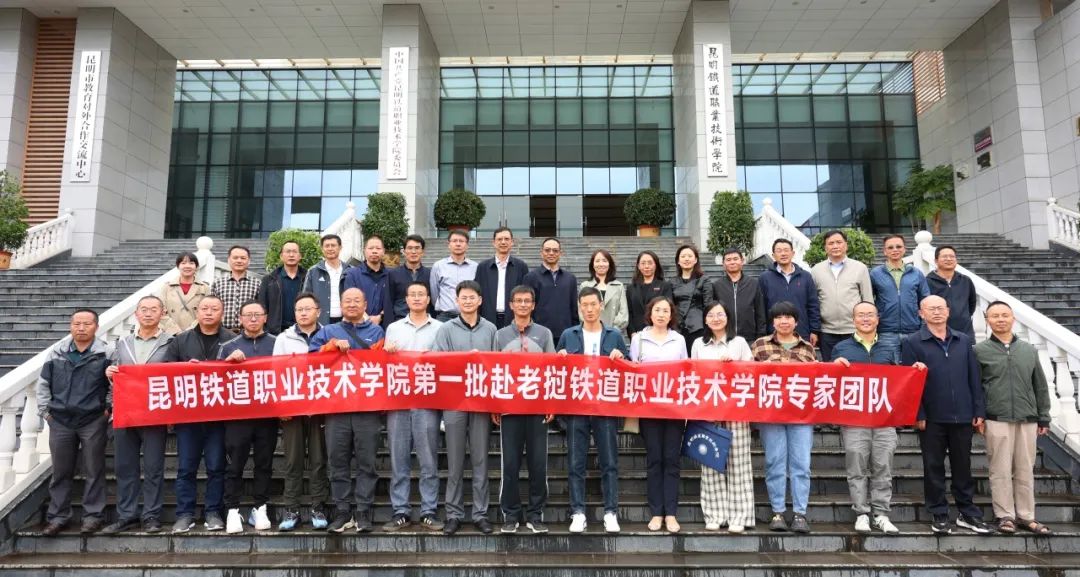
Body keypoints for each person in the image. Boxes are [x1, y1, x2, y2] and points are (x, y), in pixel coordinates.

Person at [902, 295, 993, 535]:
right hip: (932, 417)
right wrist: (918, 413)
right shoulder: (912, 342)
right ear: (921, 314)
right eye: (931, 309)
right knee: (933, 467)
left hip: (963, 415)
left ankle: (967, 512)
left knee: (963, 466)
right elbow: (909, 383)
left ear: (948, 311)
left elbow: (974, 377)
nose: (937, 312)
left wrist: (978, 410)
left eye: (941, 308)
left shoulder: (963, 340)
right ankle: (939, 513)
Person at [309, 287, 386, 533]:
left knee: (367, 461)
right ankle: (342, 510)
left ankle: (363, 510)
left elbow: (384, 366)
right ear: (340, 305)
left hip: (367, 409)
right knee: (337, 460)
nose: (352, 304)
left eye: (356, 300)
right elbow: (310, 361)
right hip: (337, 409)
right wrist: (329, 347)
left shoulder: (377, 332)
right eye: (347, 301)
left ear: (365, 305)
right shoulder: (328, 332)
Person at [974, 301, 1052, 535]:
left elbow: (1040, 385)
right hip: (996, 417)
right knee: (999, 469)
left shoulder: (1029, 350)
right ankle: (1005, 515)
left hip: (1027, 418)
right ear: (987, 320)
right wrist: (979, 415)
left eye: (1005, 315)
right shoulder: (979, 351)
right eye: (995, 316)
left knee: (1025, 468)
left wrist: (1044, 416)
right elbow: (976, 387)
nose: (1000, 319)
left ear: (1013, 318)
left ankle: (1026, 516)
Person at [557, 287, 628, 534]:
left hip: (605, 407)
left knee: (609, 461)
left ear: (601, 306)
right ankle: (578, 512)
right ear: (579, 308)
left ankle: (611, 512)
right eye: (584, 305)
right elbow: (558, 370)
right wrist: (560, 356)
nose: (589, 309)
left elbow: (629, 370)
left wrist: (621, 356)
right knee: (576, 462)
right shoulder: (569, 335)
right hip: (577, 406)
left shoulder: (614, 335)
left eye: (593, 304)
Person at [36, 309, 112, 536]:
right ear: (70, 326)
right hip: (60, 420)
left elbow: (115, 383)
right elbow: (43, 384)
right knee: (61, 471)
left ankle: (93, 516)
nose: (81, 328)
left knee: (94, 470)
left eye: (86, 324)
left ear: (96, 326)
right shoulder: (56, 352)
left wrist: (107, 410)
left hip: (93, 419)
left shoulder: (106, 352)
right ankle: (58, 517)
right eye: (77, 323)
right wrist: (46, 413)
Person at [431, 280, 498, 535]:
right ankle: (454, 514)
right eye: (463, 298)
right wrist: (464, 359)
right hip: (454, 401)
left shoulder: (491, 329)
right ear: (457, 301)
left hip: (481, 400)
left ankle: (480, 514)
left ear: (480, 300)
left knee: (480, 460)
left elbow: (496, 364)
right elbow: (438, 361)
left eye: (472, 297)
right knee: (455, 461)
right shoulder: (446, 329)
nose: (468, 301)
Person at [102, 296, 173, 534]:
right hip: (125, 412)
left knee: (153, 468)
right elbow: (113, 378)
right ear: (136, 314)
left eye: (154, 309)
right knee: (125, 467)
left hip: (155, 414)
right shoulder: (121, 343)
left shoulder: (170, 343)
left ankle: (151, 515)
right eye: (144, 309)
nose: (148, 313)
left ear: (162, 313)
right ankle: (127, 515)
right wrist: (110, 374)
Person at [163, 295, 234, 533]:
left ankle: (213, 512)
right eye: (204, 308)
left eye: (214, 309)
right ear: (197, 311)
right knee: (186, 468)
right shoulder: (181, 340)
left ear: (222, 313)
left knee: (216, 467)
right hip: (189, 416)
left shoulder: (232, 340)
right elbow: (166, 372)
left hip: (219, 416)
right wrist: (184, 368)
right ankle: (185, 514)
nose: (209, 312)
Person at [831, 301, 900, 534]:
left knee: (883, 466)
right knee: (857, 467)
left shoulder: (889, 348)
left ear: (878, 319)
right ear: (853, 320)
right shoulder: (841, 348)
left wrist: (916, 371)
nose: (866, 319)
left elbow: (899, 381)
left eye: (870, 314)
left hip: (884, 419)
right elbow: (832, 383)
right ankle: (861, 513)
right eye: (860, 315)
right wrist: (834, 367)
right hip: (854, 419)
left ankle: (881, 514)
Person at [382, 281, 445, 532]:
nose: (417, 298)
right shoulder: (394, 328)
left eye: (421, 294)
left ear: (428, 299)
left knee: (428, 459)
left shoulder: (441, 328)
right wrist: (386, 352)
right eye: (412, 294)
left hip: (428, 401)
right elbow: (384, 365)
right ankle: (401, 511)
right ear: (406, 300)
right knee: (399, 459)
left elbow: (447, 362)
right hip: (398, 401)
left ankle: (429, 511)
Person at [493, 285, 555, 533]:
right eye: (518, 301)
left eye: (527, 301)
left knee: (538, 464)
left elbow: (552, 369)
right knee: (510, 465)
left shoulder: (544, 333)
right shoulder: (499, 335)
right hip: (509, 410)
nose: (522, 305)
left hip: (537, 409)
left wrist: (551, 403)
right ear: (510, 305)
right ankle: (511, 514)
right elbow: (493, 371)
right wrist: (494, 405)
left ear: (533, 305)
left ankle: (535, 514)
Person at [752, 301, 818, 534]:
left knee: (801, 464)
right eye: (779, 317)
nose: (784, 321)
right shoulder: (760, 345)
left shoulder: (807, 348)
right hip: (771, 414)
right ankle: (777, 511)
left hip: (801, 415)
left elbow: (817, 380)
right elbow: (747, 378)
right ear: (773, 322)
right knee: (774, 462)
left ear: (796, 322)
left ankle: (800, 513)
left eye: (788, 317)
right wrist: (762, 368)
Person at [691, 301, 754, 533]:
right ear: (705, 320)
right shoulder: (698, 344)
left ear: (727, 317)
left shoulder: (739, 343)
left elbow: (751, 372)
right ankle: (715, 514)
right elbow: (693, 374)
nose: (716, 318)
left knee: (739, 463)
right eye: (711, 315)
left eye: (720, 314)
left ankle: (739, 516)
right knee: (710, 462)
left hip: (736, 410)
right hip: (708, 410)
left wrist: (734, 365)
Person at [219, 300, 278, 534]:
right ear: (240, 319)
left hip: (267, 414)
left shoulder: (277, 343)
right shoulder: (228, 346)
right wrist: (227, 363)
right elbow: (215, 380)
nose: (253, 319)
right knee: (235, 464)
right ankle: (232, 509)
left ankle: (260, 507)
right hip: (238, 416)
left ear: (265, 317)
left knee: (264, 463)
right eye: (248, 315)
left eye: (257, 314)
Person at [272, 292, 330, 531]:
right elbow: (275, 372)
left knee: (318, 459)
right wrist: (280, 406)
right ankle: (291, 508)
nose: (303, 313)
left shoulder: (329, 335)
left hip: (321, 406)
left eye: (308, 309)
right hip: (292, 406)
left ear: (318, 311)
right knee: (293, 460)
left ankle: (318, 506)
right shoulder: (284, 338)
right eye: (299, 310)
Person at [630, 296, 688, 534]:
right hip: (649, 409)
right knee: (655, 459)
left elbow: (686, 371)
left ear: (671, 315)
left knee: (671, 459)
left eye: (666, 310)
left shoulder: (679, 339)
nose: (661, 314)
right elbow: (633, 370)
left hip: (674, 409)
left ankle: (671, 513)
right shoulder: (638, 339)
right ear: (650, 313)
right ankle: (656, 512)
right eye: (657, 310)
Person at [810, 230, 872, 361]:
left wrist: (869, 326)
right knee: (830, 367)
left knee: (855, 366)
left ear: (846, 245)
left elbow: (868, 300)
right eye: (831, 243)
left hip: (854, 329)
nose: (835, 246)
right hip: (827, 331)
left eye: (839, 242)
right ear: (825, 248)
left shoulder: (860, 268)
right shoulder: (816, 270)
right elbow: (813, 302)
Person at [871, 234, 929, 362]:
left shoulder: (916, 273)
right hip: (886, 332)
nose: (895, 250)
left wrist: (923, 325)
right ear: (884, 251)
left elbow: (925, 300)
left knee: (914, 367)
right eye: (890, 247)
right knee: (890, 369)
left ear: (904, 249)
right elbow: (869, 301)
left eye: (898, 246)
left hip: (913, 331)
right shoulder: (875, 274)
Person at [758, 239, 820, 347]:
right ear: (773, 255)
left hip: (801, 331)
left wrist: (814, 330)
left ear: (793, 253)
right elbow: (761, 307)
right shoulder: (765, 278)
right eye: (779, 251)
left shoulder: (805, 276)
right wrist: (763, 332)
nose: (783, 254)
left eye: (786, 250)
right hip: (774, 333)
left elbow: (813, 304)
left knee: (801, 357)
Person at [523, 237, 579, 342]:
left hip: (565, 334)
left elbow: (574, 309)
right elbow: (527, 307)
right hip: (538, 334)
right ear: (541, 253)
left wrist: (575, 331)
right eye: (547, 250)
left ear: (560, 253)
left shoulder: (570, 278)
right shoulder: (530, 277)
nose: (551, 253)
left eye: (555, 250)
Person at [475, 227, 529, 329]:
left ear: (512, 242)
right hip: (487, 320)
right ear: (494, 243)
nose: (503, 242)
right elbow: (477, 294)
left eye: (506, 239)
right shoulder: (483, 267)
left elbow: (527, 293)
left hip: (514, 320)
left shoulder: (521, 266)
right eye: (499, 239)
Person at [711, 247, 766, 343]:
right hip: (724, 337)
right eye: (728, 260)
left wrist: (760, 336)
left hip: (749, 338)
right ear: (723, 264)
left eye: (735, 259)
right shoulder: (717, 285)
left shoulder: (753, 283)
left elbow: (760, 312)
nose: (732, 262)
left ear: (742, 261)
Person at [926, 245, 977, 339]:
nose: (949, 259)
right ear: (936, 261)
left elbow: (972, 304)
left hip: (964, 332)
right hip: (937, 334)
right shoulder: (927, 282)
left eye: (952, 256)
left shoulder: (965, 280)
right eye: (944, 256)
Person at [257, 240, 307, 335]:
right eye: (288, 252)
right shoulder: (269, 279)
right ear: (281, 256)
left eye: (294, 252)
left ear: (300, 256)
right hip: (275, 332)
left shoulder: (308, 278)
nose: (291, 255)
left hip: (303, 330)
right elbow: (262, 306)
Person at [671, 244, 712, 356]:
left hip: (698, 327)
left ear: (695, 260)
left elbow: (708, 305)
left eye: (690, 256)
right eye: (683, 256)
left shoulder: (704, 280)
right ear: (678, 261)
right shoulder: (672, 282)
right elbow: (670, 306)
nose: (686, 259)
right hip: (677, 328)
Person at [302, 234, 352, 326]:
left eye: (333, 245)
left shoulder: (351, 270)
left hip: (347, 321)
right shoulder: (313, 271)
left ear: (340, 247)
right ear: (322, 249)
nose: (330, 248)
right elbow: (306, 298)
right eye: (327, 246)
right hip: (321, 322)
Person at [383, 234, 432, 326]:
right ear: (404, 251)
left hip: (425, 323)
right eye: (410, 248)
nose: (413, 252)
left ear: (422, 252)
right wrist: (388, 326)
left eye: (417, 248)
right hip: (399, 322)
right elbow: (388, 302)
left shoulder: (430, 274)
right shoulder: (393, 274)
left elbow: (432, 302)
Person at [430, 230, 479, 322]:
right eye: (455, 241)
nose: (458, 244)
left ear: (467, 245)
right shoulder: (438, 266)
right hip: (445, 317)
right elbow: (434, 293)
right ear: (449, 244)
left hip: (469, 316)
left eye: (461, 241)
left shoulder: (475, 267)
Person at [212, 245, 261, 333]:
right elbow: (213, 308)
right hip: (222, 332)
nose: (239, 261)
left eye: (243, 258)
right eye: (235, 258)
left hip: (248, 332)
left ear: (249, 261)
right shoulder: (218, 283)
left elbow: (261, 309)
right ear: (228, 260)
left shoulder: (257, 284)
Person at [159, 251, 210, 335]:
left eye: (191, 263)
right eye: (183, 263)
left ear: (196, 267)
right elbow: (161, 312)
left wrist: (189, 331)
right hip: (171, 334)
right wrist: (175, 331)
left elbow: (206, 312)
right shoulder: (167, 287)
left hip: (196, 333)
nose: (187, 266)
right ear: (178, 266)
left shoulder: (204, 288)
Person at [345, 235, 390, 327]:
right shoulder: (352, 274)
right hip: (358, 325)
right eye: (370, 248)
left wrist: (380, 316)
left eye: (378, 248)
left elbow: (394, 300)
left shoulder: (391, 275)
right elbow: (349, 300)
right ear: (364, 251)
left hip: (385, 325)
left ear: (383, 251)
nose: (374, 251)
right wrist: (367, 319)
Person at [578, 249, 628, 332]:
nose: (601, 264)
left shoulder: (619, 286)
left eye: (604, 261)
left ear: (609, 264)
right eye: (597, 261)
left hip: (613, 332)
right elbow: (581, 311)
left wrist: (613, 330)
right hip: (591, 331)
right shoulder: (585, 285)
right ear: (593, 264)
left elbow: (623, 312)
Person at [627, 250, 674, 338]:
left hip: (659, 331)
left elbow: (668, 309)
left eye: (650, 263)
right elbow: (629, 312)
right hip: (637, 333)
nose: (646, 266)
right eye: (643, 263)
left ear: (656, 265)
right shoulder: (631, 288)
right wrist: (632, 332)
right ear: (638, 266)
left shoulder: (665, 286)